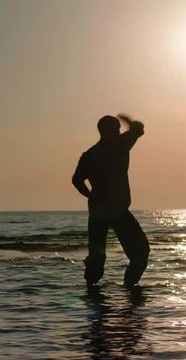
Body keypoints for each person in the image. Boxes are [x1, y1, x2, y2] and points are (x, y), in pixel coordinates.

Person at [72, 114, 150, 287]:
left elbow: (77, 180)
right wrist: (128, 121)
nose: (117, 132)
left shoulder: (90, 154)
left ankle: (97, 297)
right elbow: (139, 129)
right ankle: (129, 290)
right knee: (140, 253)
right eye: (115, 129)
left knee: (98, 261)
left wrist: (90, 195)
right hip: (116, 212)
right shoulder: (121, 144)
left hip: (99, 213)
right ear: (108, 131)